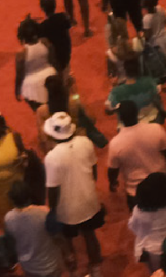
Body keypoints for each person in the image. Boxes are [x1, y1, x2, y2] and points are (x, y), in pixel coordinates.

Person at [42, 112, 105, 274]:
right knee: (89, 234)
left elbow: (53, 188)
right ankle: (96, 266)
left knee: (67, 239)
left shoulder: (52, 157)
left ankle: (73, 268)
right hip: (88, 199)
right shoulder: (85, 142)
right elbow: (94, 171)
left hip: (67, 208)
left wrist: (53, 209)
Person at [106, 101, 166, 209]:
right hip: (161, 184)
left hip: (136, 192)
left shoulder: (115, 144)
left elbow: (113, 170)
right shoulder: (156, 129)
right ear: (137, 113)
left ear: (120, 118)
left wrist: (113, 183)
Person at [2, 180, 63, 277]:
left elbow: (10, 243)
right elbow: (57, 236)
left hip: (29, 267)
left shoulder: (9, 218)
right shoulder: (44, 212)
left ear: (11, 198)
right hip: (51, 264)